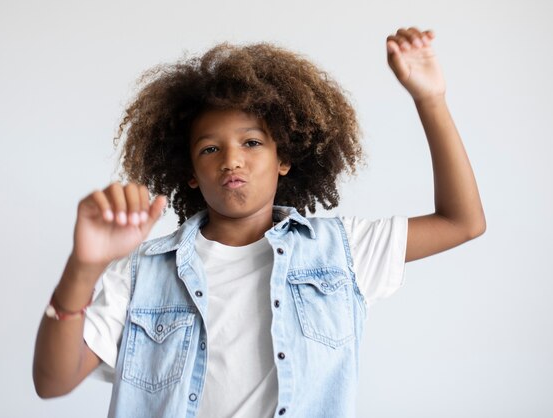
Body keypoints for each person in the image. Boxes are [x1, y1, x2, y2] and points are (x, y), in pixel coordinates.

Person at [33, 27, 485, 418]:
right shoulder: (143, 272)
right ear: (189, 171)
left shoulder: (342, 250)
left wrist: (431, 100)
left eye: (252, 142)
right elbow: (52, 382)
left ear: (284, 157)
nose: (232, 159)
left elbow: (462, 222)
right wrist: (83, 267)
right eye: (210, 148)